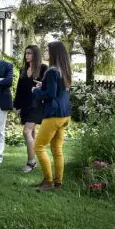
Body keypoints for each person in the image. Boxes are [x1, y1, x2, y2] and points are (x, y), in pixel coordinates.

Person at [32, 41, 72, 191]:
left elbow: (50, 95)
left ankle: (48, 182)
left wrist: (35, 91)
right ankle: (58, 182)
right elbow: (57, 90)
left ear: (54, 54)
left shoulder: (51, 71)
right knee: (57, 148)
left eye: (47, 51)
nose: (45, 54)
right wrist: (44, 85)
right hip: (65, 115)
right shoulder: (65, 70)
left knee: (39, 147)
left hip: (54, 115)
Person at [13, 45, 48, 173]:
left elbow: (49, 86)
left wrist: (42, 86)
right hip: (26, 105)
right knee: (31, 133)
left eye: (30, 53)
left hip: (37, 105)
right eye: (26, 53)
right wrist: (16, 105)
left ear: (36, 55)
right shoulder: (23, 69)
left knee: (26, 132)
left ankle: (31, 162)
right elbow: (19, 90)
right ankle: (33, 161)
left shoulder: (44, 69)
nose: (27, 56)